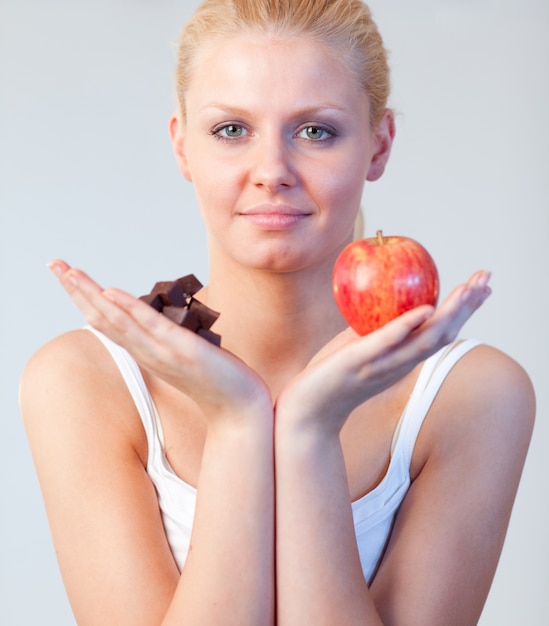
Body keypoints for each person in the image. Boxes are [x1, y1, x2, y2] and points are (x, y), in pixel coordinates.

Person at [20, 0, 535, 624]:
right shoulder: (83, 380)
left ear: (379, 145)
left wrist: (308, 431)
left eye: (316, 131)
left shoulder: (474, 395)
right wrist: (239, 421)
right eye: (231, 130)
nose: (271, 172)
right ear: (183, 147)